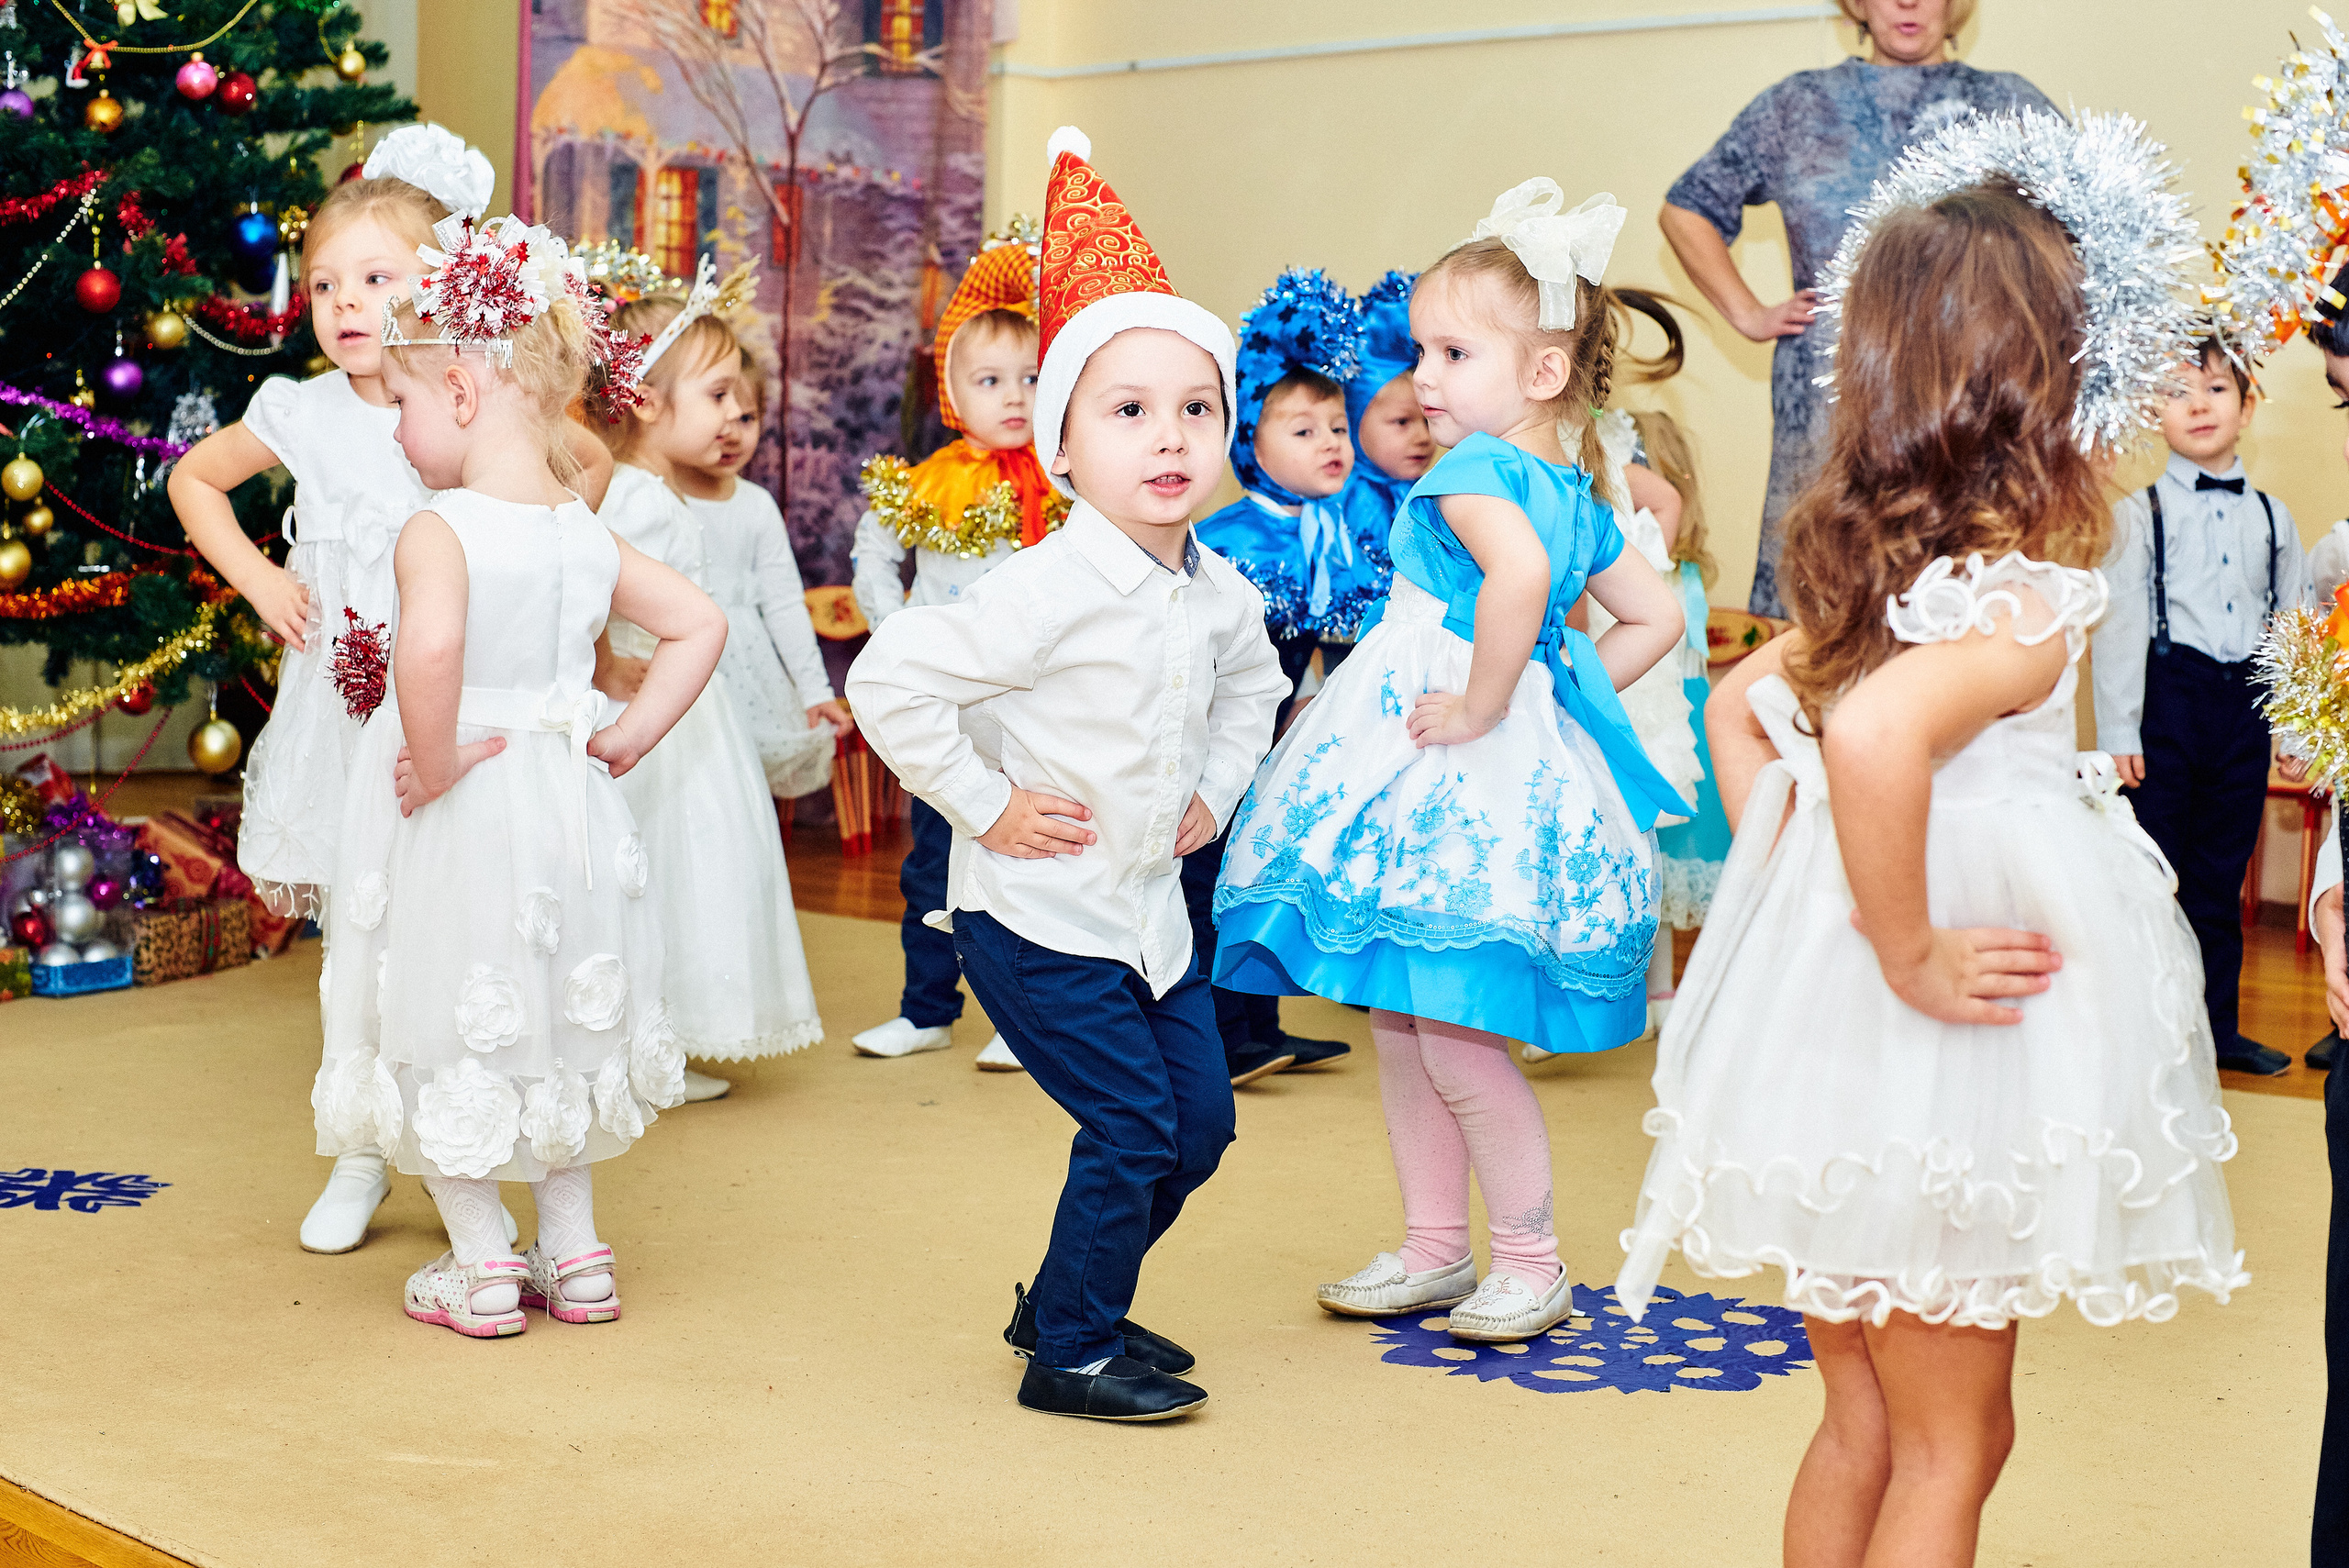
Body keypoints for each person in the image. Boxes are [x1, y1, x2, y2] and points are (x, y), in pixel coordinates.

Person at [1616, 128, 2245, 1564]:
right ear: (2047, 379)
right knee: (1958, 1440)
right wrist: (1904, 942)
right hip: (1944, 1048)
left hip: (1843, 1055)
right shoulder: (2022, 598)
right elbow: (1874, 743)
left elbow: (1740, 712)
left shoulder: (1879, 578)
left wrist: (1798, 883)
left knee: (1863, 1424)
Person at [847, 127, 1289, 1421]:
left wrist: (1218, 781)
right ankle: (1071, 1354)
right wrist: (984, 805)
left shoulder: (1218, 590)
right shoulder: (1042, 590)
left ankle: (1064, 1300)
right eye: (1130, 410)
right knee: (1134, 1130)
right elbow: (890, 683)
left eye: (1196, 409)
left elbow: (1255, 691)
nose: (1170, 436)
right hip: (1035, 921)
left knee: (1196, 1129)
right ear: (1062, 448)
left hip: (1148, 916)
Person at [1213, 180, 1688, 1344]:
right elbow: (1653, 619)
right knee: (1404, 1018)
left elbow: (1520, 588)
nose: (1421, 375)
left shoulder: (1473, 472)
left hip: (1443, 768)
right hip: (1464, 756)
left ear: (1537, 374)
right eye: (1420, 348)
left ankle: (1527, 1258)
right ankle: (1434, 1248)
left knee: (1452, 1038)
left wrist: (1488, 701)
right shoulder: (1570, 484)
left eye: (1452, 350)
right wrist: (1544, 699)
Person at [170, 125, 608, 1256]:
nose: (344, 303)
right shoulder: (304, 411)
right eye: (324, 283)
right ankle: (362, 1148)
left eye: (376, 279)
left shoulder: (471, 400)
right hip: (342, 713)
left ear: (437, 291)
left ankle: (484, 1134)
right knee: (355, 939)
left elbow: (586, 472)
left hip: (454, 715)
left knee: (456, 924)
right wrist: (263, 575)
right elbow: (194, 480)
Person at [312, 214, 725, 1338]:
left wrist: (434, 757)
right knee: (554, 1011)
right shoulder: (579, 532)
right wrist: (628, 734)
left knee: (452, 1006)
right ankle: (577, 1252)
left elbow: (430, 652)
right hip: (567, 804)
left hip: (468, 800)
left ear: (456, 392)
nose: (395, 429)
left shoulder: (439, 528)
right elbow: (696, 623)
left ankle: (484, 1262)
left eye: (400, 403)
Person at [1659, 0, 2051, 615]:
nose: (1909, 2)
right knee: (1818, 619)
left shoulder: (2006, 104)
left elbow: (2072, 234)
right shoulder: (1795, 107)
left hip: (1969, 415)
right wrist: (1748, 313)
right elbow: (1687, 209)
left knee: (1964, 617)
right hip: (1826, 419)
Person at [590, 264, 826, 1093]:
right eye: (718, 394)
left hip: (682, 706)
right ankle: (637, 1040)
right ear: (647, 402)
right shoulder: (641, 501)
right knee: (665, 868)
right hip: (657, 710)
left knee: (673, 871)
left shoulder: (641, 491)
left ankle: (651, 1035)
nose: (736, 414)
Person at [848, 225, 1060, 1073]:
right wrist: (890, 628)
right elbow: (872, 552)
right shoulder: (932, 481)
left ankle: (1027, 1018)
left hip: (1037, 721)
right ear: (951, 392)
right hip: (950, 724)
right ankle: (925, 1007)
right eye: (990, 380)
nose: (1014, 396)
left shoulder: (1070, 482)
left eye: (1034, 378)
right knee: (932, 866)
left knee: (1027, 875)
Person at [2091, 339, 2311, 1078]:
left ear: (2248, 406)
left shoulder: (2276, 519)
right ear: (2153, 412)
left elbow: (2289, 628)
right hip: (2167, 705)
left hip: (2242, 709)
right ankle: (2148, 1034)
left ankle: (2218, 1030)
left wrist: (2291, 726)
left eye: (2216, 388)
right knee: (2157, 875)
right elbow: (2119, 626)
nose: (2197, 404)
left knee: (2220, 877)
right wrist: (2119, 728)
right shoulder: (2135, 514)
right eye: (2177, 390)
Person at [1187, 266, 1375, 1084]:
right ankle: (1215, 1035)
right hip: (1216, 745)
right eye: (1304, 431)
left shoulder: (1340, 535)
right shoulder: (1228, 537)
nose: (1332, 443)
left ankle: (1256, 1024)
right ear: (1248, 444)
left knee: (1261, 871)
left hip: (1276, 749)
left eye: (1338, 427)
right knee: (1211, 877)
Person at [672, 349, 852, 809]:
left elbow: (784, 603)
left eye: (748, 417)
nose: (733, 431)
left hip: (746, 669)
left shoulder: (754, 505)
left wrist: (814, 690)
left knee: (736, 792)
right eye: (718, 411)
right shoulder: (656, 499)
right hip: (676, 661)